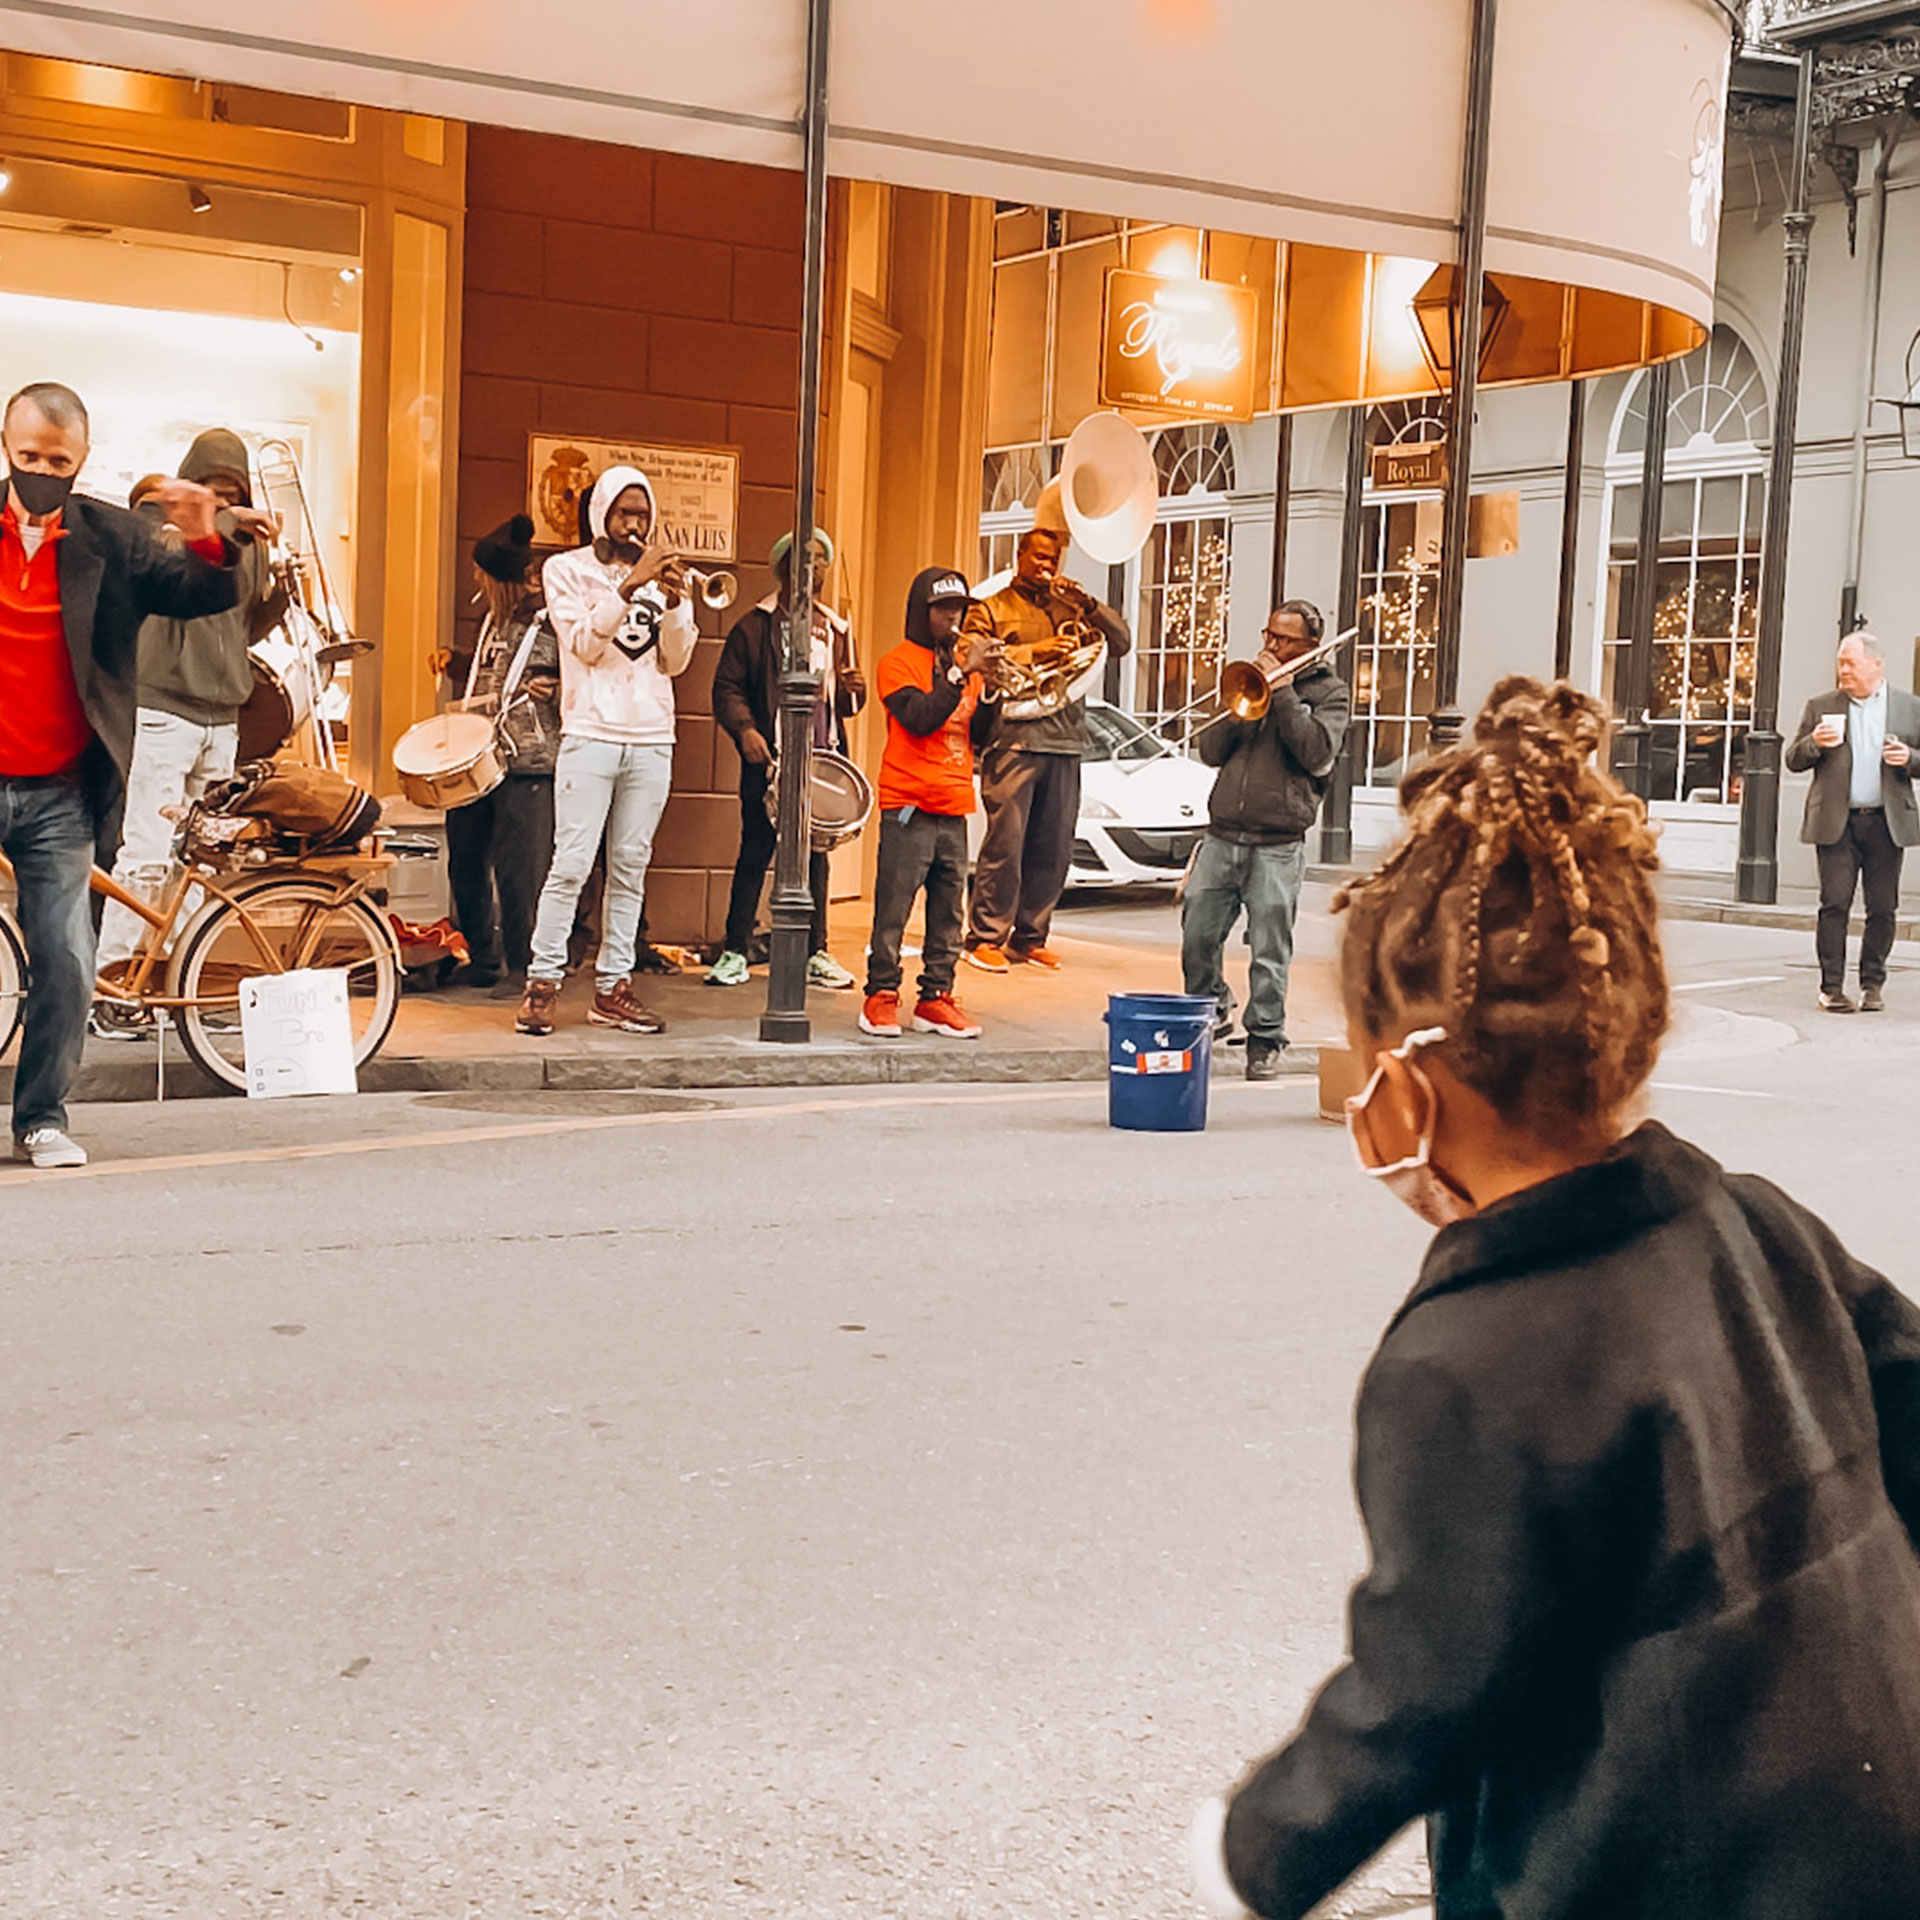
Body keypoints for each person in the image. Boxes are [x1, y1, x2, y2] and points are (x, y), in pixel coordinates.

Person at [1192, 676, 1920, 1920]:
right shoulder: (1762, 1224)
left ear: (1413, 1086)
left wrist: (1255, 1854)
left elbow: (1423, 1686)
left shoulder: (1460, 1363)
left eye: (1364, 1067)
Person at [0, 381, 240, 1167]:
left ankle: (41, 1118)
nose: (42, 472)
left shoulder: (110, 537)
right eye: (29, 456)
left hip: (60, 790)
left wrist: (204, 538)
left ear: (81, 459)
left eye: (58, 461)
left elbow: (199, 596)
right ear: (6, 447)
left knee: (68, 959)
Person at [91, 432, 280, 1038]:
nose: (222, 500)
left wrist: (277, 585)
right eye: (211, 489)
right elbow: (166, 541)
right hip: (164, 709)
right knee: (146, 852)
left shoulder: (246, 541)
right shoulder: (157, 524)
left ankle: (180, 986)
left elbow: (242, 623)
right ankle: (111, 990)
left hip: (222, 715)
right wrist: (227, 520)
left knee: (199, 864)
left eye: (232, 491)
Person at [514, 465, 694, 1037]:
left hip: (652, 736)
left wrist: (676, 602)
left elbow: (676, 661)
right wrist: (626, 588)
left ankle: (613, 987)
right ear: (601, 515)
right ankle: (542, 984)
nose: (635, 524)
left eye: (643, 514)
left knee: (630, 866)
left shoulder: (658, 578)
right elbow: (583, 645)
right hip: (590, 733)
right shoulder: (564, 570)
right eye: (624, 513)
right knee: (570, 864)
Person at [962, 480, 1130, 973]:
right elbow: (972, 654)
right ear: (1019, 556)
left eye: (1053, 560)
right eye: (1038, 557)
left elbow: (1120, 642)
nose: (1046, 566)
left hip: (1064, 739)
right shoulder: (991, 606)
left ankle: (1031, 936)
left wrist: (1089, 605)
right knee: (1006, 844)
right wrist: (1038, 651)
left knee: (1053, 847)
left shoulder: (1069, 606)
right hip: (1014, 738)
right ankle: (985, 936)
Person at [1181, 598, 1348, 1081]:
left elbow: (1317, 754)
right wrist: (1240, 707)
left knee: (1270, 949)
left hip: (1278, 841)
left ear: (1310, 646)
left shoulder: (1330, 693)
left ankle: (1265, 1038)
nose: (1272, 645)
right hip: (1222, 835)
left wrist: (1284, 693)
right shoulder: (1246, 681)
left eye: (1284, 639)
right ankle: (1211, 1007)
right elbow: (1211, 751)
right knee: (1198, 934)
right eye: (1269, 635)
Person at [707, 529, 866, 990]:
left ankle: (816, 952)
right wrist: (746, 730)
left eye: (820, 560)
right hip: (771, 760)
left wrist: (854, 692)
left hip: (821, 760)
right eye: (803, 559)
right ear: (783, 568)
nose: (813, 568)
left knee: (816, 859)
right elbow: (728, 687)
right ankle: (735, 949)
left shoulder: (836, 629)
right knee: (756, 851)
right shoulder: (755, 626)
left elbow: (844, 706)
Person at [859, 566, 995, 1040]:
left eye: (959, 609)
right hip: (908, 804)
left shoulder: (964, 669)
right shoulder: (896, 663)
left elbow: (981, 735)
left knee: (949, 915)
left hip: (954, 803)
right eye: (943, 609)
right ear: (921, 611)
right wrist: (960, 674)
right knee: (894, 908)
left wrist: (991, 690)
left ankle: (936, 997)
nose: (953, 618)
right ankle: (880, 994)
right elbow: (919, 718)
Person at [442, 514, 560, 991]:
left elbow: (579, 679)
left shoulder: (552, 622)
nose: (476, 580)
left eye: (483, 574)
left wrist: (557, 689)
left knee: (520, 875)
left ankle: (523, 966)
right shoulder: (489, 620)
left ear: (501, 579)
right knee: (465, 862)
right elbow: (492, 674)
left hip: (528, 764)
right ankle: (483, 959)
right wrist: (456, 663)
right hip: (477, 757)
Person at [1783, 631, 1920, 1013]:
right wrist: (1814, 742)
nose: (1843, 670)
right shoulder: (1821, 706)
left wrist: (1909, 758)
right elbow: (1793, 759)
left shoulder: (1909, 708)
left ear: (1876, 664)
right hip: (1836, 822)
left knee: (1883, 908)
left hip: (1885, 822)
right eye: (1840, 663)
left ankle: (1872, 984)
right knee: (1834, 904)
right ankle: (1831, 988)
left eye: (1851, 663)